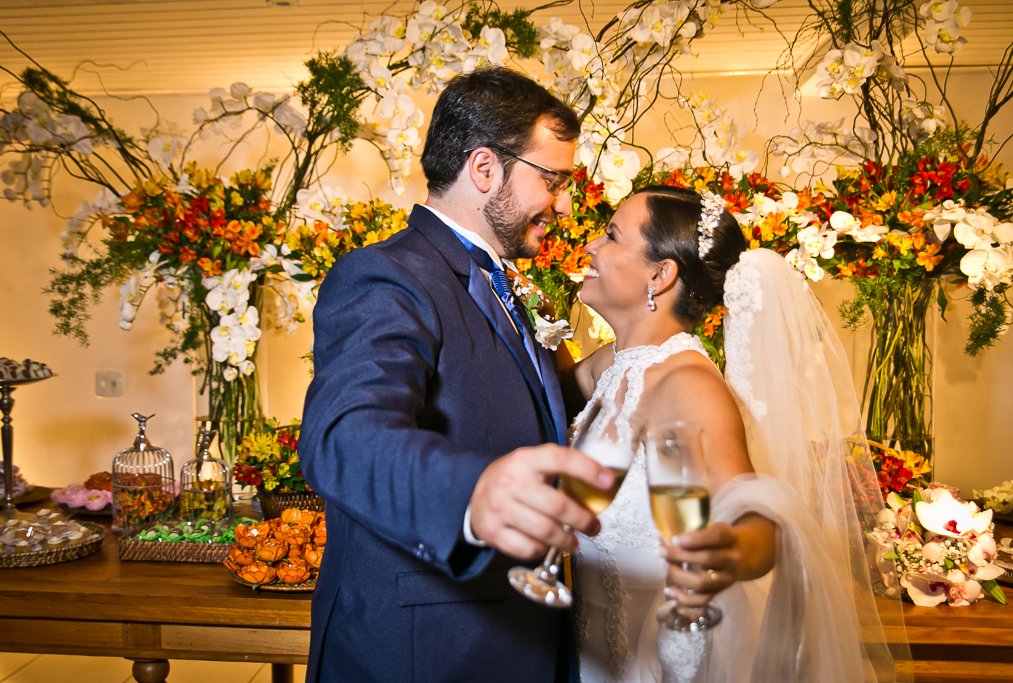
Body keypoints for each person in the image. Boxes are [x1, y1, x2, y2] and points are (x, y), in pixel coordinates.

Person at [298, 65, 615, 683]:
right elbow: (342, 434)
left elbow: (518, 403)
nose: (564, 205)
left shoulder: (498, 279)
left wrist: (634, 353)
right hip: (428, 651)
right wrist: (469, 494)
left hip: (517, 634)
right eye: (553, 180)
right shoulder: (387, 275)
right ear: (485, 169)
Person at [564, 185, 906, 682]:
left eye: (612, 236)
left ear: (660, 275)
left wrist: (731, 550)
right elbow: (540, 389)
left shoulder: (688, 383)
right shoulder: (614, 363)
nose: (591, 245)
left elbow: (756, 516)